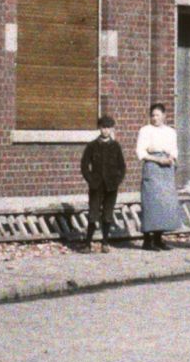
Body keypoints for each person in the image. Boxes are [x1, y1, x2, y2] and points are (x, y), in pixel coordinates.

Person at [134, 102, 182, 250]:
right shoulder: (145, 130)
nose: (155, 118)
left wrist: (171, 159)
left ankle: (159, 238)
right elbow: (141, 152)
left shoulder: (170, 132)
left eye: (158, 115)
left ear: (164, 116)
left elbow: (174, 149)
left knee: (164, 202)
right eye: (152, 115)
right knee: (151, 202)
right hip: (152, 165)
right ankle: (147, 241)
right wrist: (157, 159)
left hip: (166, 167)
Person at [78, 114, 125, 253]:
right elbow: (84, 165)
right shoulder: (92, 146)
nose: (105, 130)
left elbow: (121, 167)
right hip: (96, 186)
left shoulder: (116, 146)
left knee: (107, 214)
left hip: (110, 187)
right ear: (99, 128)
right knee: (93, 214)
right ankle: (88, 244)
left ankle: (105, 242)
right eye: (103, 127)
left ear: (112, 129)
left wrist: (116, 181)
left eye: (108, 128)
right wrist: (91, 180)